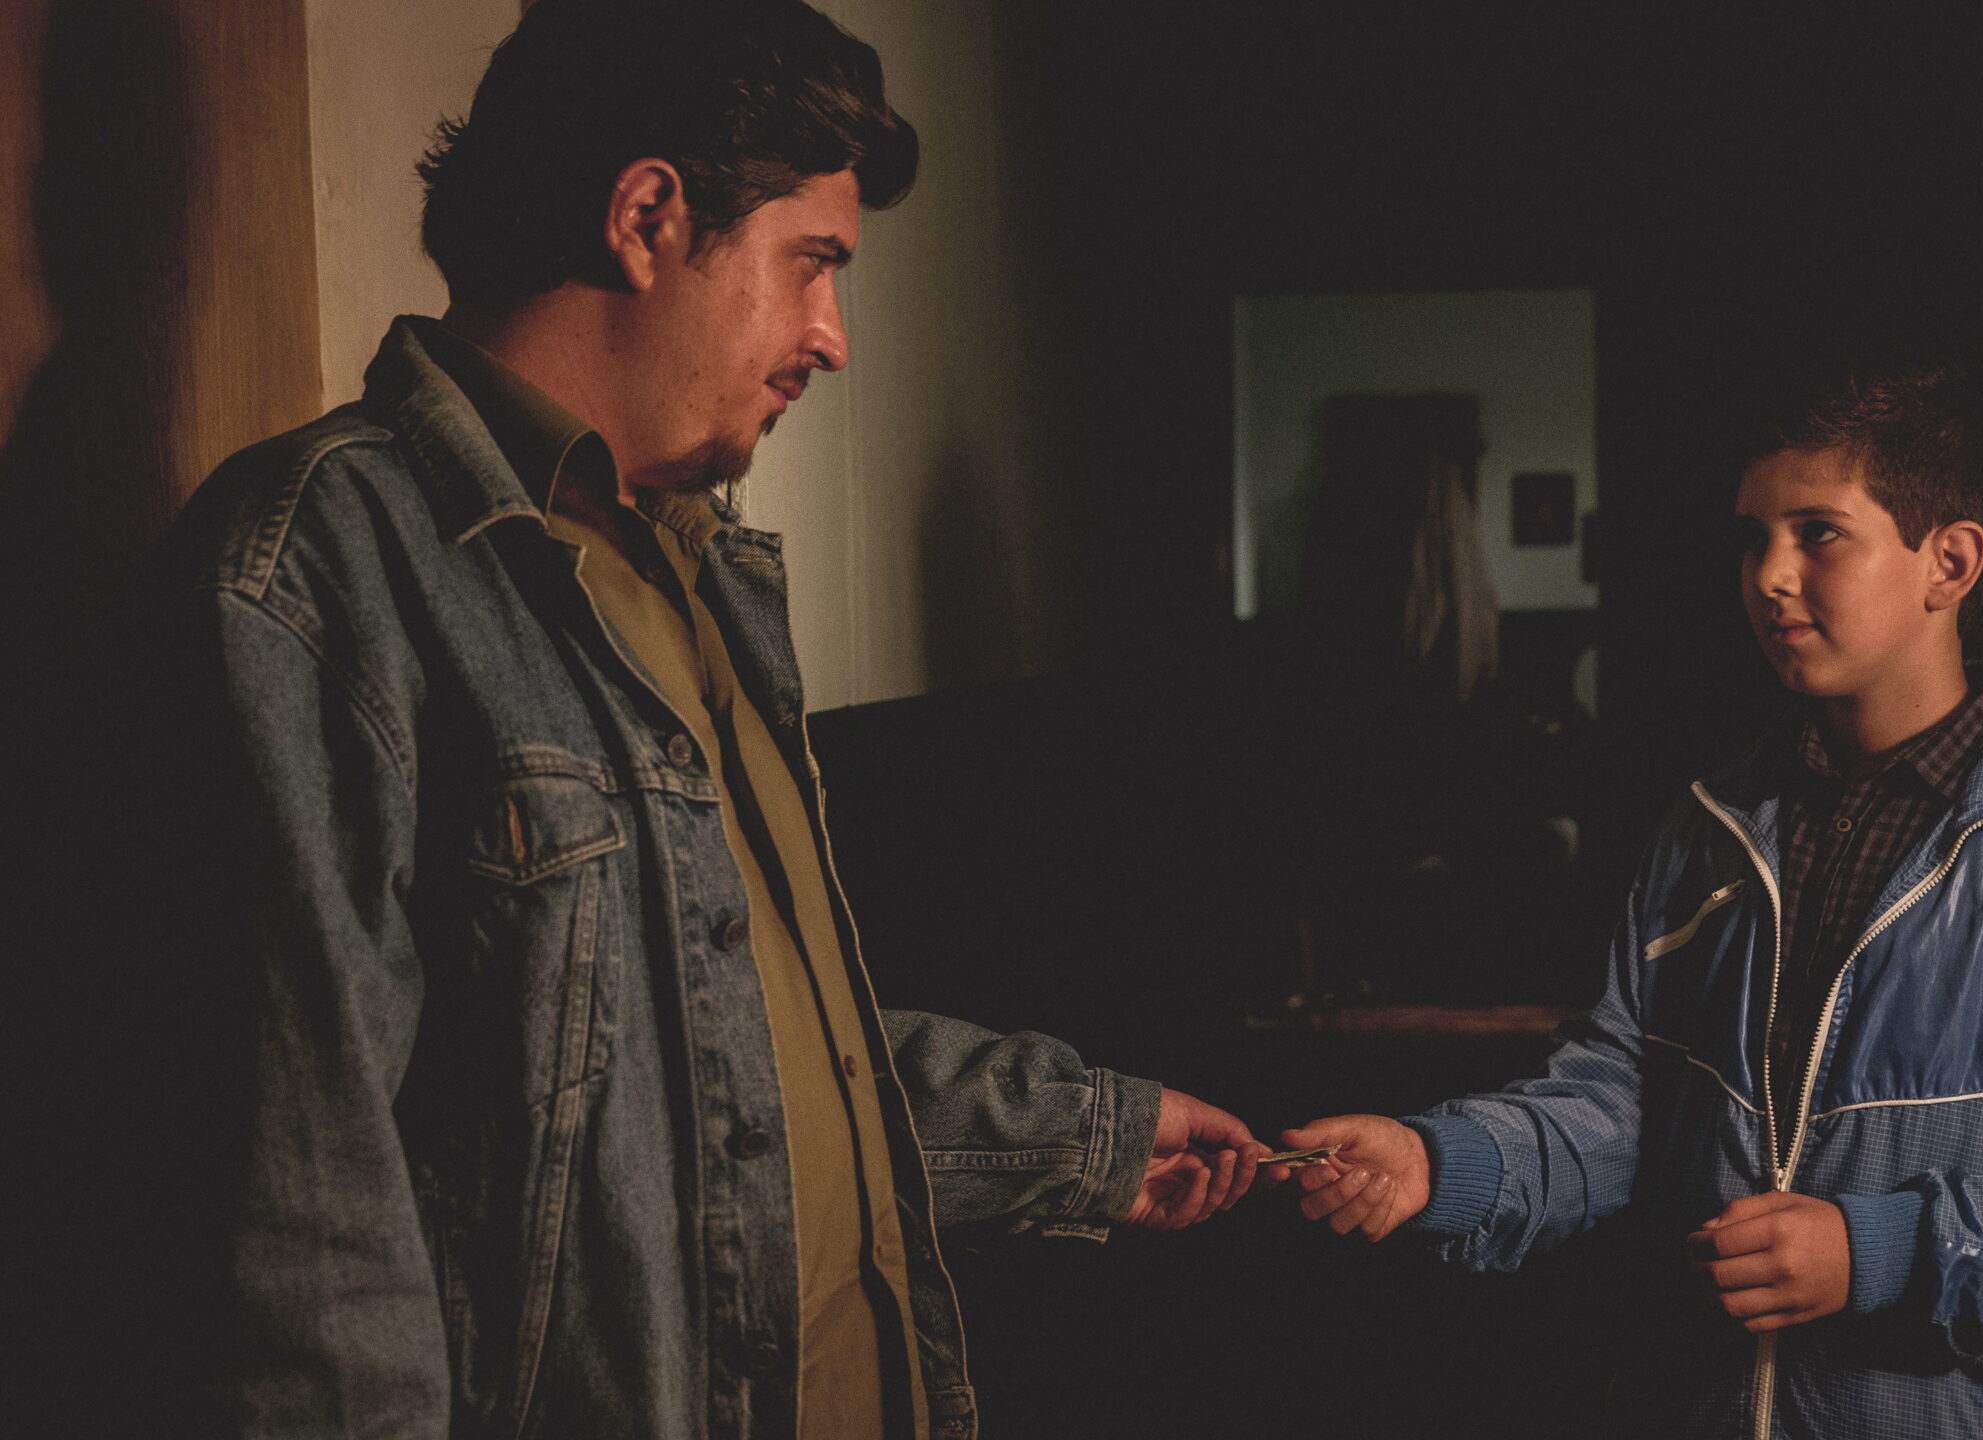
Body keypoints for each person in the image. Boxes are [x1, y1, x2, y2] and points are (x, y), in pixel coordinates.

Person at [60, 3, 1268, 1437]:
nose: (833, 338)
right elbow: (298, 1247)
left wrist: (1087, 1137)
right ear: (645, 218)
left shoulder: (697, 566)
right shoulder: (313, 576)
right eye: (812, 263)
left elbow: (717, 1075)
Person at [1281, 360, 1983, 1437]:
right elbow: (1621, 1102)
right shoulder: (1708, 828)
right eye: (1753, 537)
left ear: (1950, 562)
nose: (1769, 575)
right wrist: (1443, 1164)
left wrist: (1883, 1252)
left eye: (1819, 533)